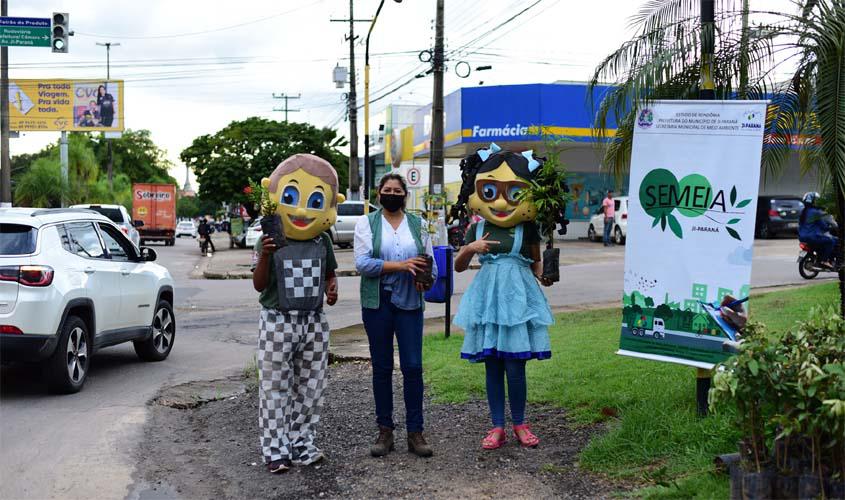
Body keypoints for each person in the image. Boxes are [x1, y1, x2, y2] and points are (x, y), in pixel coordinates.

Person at [450, 143, 554, 451]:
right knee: (492, 364)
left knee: (515, 366)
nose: (503, 202)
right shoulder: (477, 227)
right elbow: (458, 266)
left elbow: (536, 264)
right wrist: (470, 248)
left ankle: (520, 423)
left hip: (518, 301)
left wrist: (544, 276)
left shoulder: (528, 229)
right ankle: (497, 426)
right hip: (488, 300)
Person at [252, 153, 344, 473]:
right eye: (292, 197)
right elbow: (259, 284)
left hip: (314, 322)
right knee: (274, 386)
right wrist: (264, 256)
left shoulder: (322, 241)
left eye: (316, 200)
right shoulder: (271, 238)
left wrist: (332, 288)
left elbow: (330, 274)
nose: (303, 209)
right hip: (277, 319)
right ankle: (275, 449)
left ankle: (302, 442)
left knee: (311, 386)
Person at [354, 173, 437, 458]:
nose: (392, 193)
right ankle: (385, 431)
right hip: (378, 303)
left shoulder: (419, 225)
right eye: (387, 189)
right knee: (382, 367)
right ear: (379, 194)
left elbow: (430, 265)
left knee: (413, 367)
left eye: (397, 190)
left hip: (411, 302)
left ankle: (415, 432)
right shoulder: (366, 223)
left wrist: (425, 279)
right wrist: (401, 266)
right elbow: (363, 263)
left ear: (405, 195)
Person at [799, 191, 839, 269]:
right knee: (831, 241)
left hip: (802, 237)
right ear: (815, 201)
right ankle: (824, 261)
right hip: (813, 237)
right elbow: (823, 225)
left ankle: (820, 257)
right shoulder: (816, 212)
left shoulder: (803, 212)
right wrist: (829, 228)